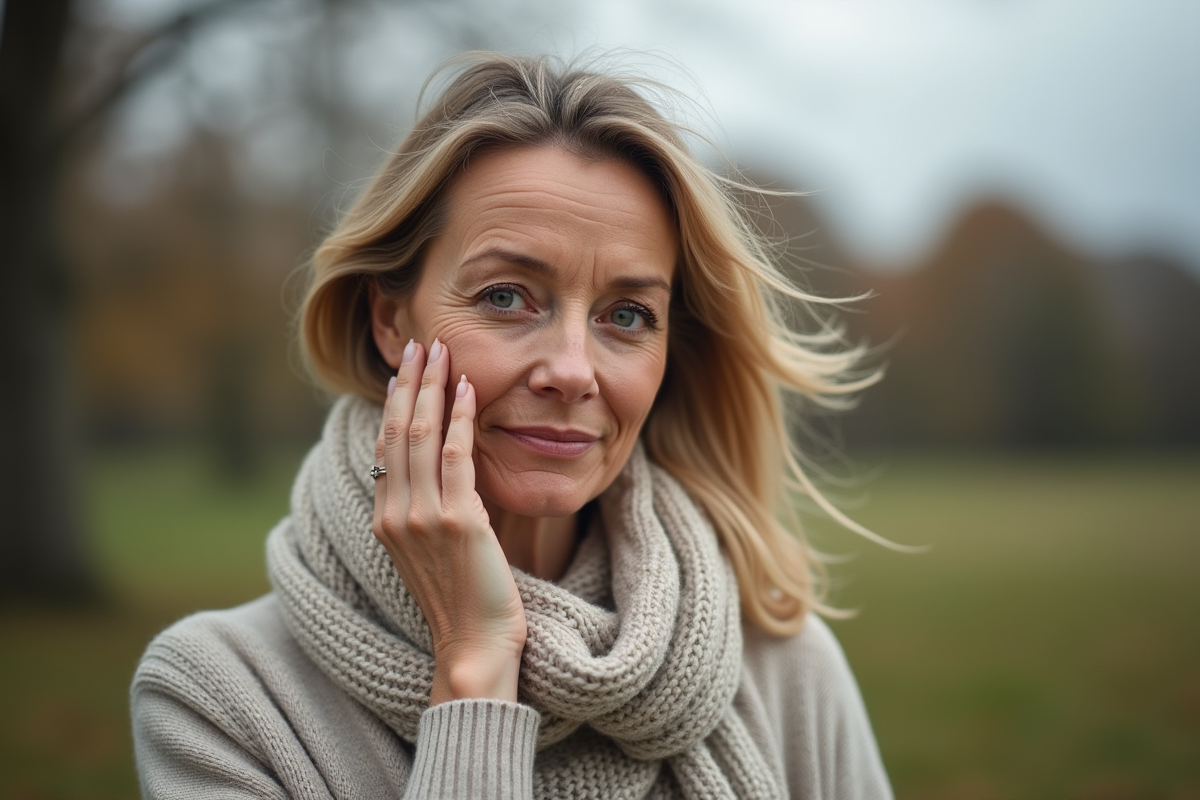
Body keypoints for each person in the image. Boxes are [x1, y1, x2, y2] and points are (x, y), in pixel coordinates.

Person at [132, 52, 893, 800]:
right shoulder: (221, 698)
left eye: (627, 315)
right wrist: (474, 668)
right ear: (392, 320)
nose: (572, 369)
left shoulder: (784, 669)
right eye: (506, 297)